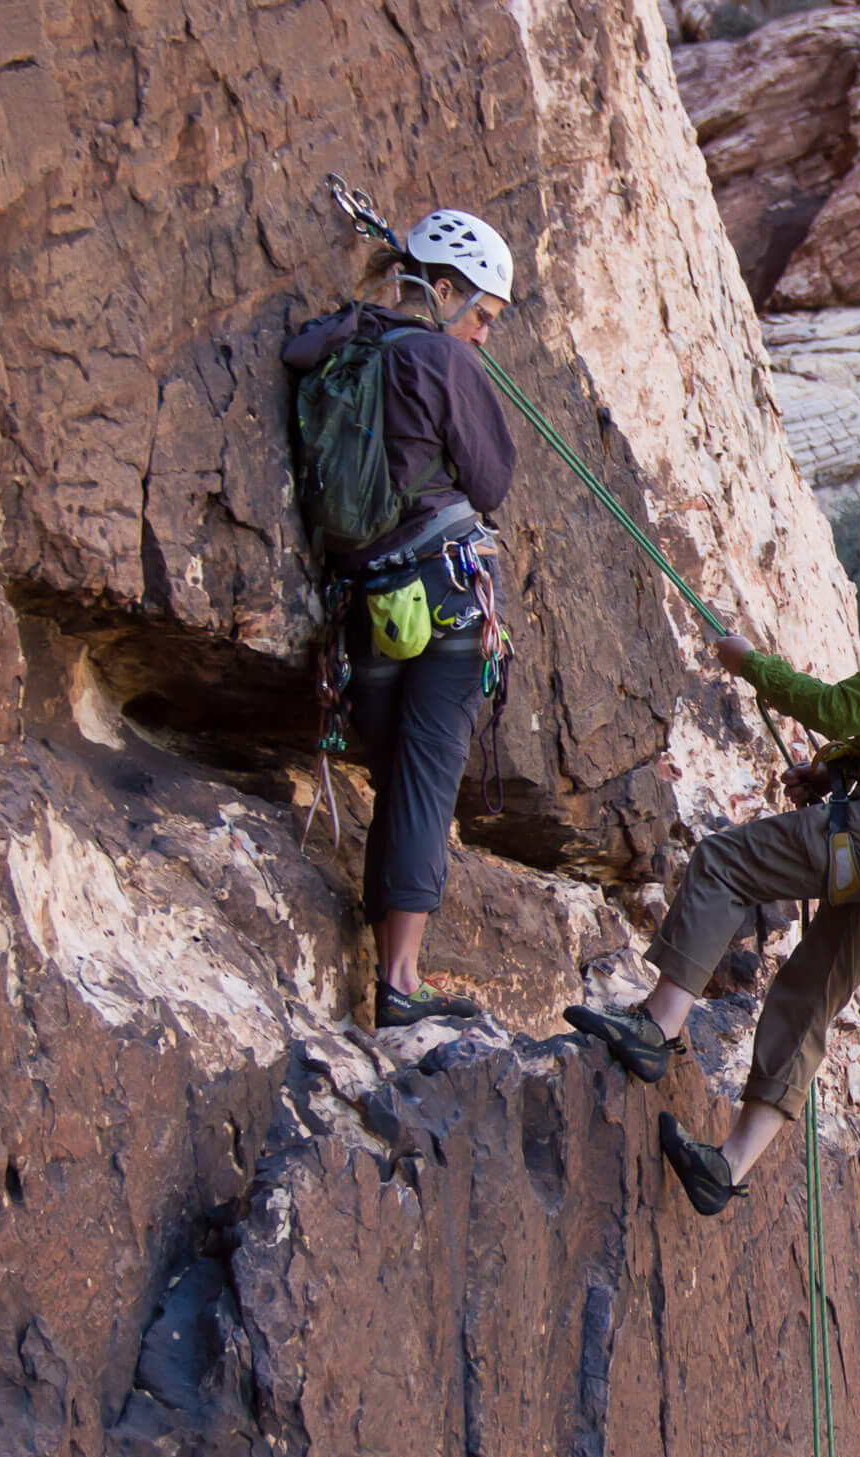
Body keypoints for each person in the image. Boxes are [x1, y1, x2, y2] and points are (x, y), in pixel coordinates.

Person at [566, 474, 860, 1216]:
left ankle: (656, 1027)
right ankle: (727, 1167)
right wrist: (830, 769)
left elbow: (840, 706)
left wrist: (751, 665)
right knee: (807, 994)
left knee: (725, 863)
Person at [282, 210, 519, 1029]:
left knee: (397, 776)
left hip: (369, 610)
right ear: (444, 291)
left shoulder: (346, 349)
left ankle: (390, 964)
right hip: (447, 595)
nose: (484, 334)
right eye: (483, 313)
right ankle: (402, 979)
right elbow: (492, 481)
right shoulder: (442, 356)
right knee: (425, 778)